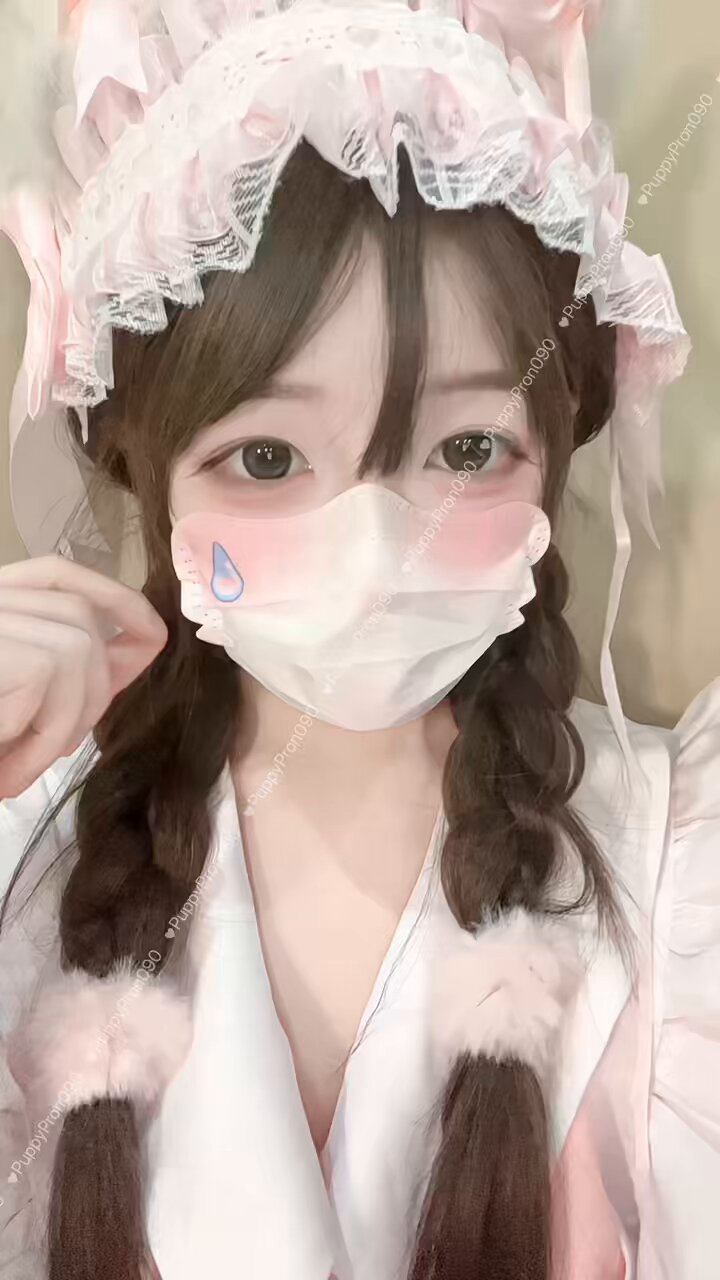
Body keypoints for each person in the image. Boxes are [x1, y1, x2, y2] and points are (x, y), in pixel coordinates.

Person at [0, 2, 717, 1279]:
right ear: (145, 470)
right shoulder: (24, 858)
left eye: (467, 447)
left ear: (560, 444)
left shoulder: (678, 874)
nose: (375, 549)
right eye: (267, 458)